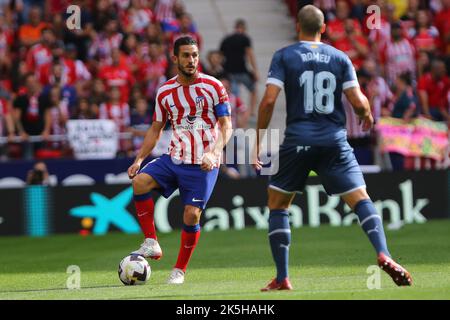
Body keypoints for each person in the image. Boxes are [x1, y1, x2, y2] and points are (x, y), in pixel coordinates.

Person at [253, 5, 412, 291]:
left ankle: (282, 277)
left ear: (297, 27)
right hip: (334, 141)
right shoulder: (340, 57)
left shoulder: (284, 56)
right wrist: (366, 115)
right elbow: (358, 100)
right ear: (324, 27)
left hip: (298, 140)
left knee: (278, 205)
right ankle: (383, 253)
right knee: (361, 199)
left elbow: (267, 102)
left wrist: (257, 141)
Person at [127, 36, 232, 284]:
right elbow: (155, 128)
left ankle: (179, 271)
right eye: (185, 55)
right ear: (175, 58)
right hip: (175, 158)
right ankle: (151, 242)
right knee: (140, 182)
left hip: (203, 163)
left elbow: (227, 126)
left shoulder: (214, 86)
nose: (191, 60)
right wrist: (139, 158)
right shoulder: (165, 92)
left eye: (194, 55)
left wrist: (215, 152)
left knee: (191, 214)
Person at [220, 19, 259, 116]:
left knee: (234, 94)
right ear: (244, 28)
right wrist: (255, 71)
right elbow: (250, 55)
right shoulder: (245, 38)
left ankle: (235, 112)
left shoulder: (226, 39)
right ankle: (251, 111)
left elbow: (220, 56)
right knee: (253, 90)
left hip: (229, 71)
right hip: (242, 71)